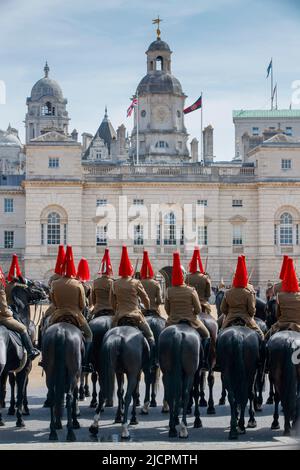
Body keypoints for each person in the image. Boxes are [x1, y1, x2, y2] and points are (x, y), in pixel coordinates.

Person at [49, 245, 93, 371]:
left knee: (46, 330)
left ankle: (44, 358)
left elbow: (54, 302)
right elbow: (82, 305)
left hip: (57, 314)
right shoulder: (78, 284)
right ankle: (85, 362)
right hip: (76, 315)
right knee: (89, 335)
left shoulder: (55, 283)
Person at [110, 246, 155, 364]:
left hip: (119, 316)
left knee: (108, 336)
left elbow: (112, 302)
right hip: (136, 316)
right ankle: (152, 361)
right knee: (150, 336)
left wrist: (117, 310)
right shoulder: (136, 282)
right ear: (130, 270)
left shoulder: (115, 284)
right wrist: (147, 307)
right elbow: (146, 299)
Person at [165, 252, 210, 364]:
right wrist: (193, 312)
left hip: (173, 320)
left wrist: (173, 314)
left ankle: (159, 360)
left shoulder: (169, 290)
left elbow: (167, 309)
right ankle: (204, 360)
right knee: (207, 335)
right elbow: (198, 310)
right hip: (191, 320)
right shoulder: (191, 290)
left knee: (161, 336)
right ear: (184, 276)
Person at [0, 265, 40, 360]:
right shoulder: (2, 290)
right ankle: (31, 351)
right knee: (22, 328)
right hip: (3, 317)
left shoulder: (7, 286)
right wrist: (9, 313)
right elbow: (4, 310)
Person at [220, 256, 264, 339]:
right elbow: (252, 309)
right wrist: (251, 316)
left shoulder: (228, 292)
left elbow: (222, 308)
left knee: (220, 334)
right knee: (261, 335)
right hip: (246, 318)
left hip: (230, 317)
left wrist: (228, 313)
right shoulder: (248, 292)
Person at [266, 258, 300, 338]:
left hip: (282, 323)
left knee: (265, 337)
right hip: (298, 324)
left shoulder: (279, 295)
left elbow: (277, 314)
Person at [186, 247, 212, 314]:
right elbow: (208, 294)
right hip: (202, 303)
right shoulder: (205, 277)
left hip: (189, 304)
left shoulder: (187, 277)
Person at [140, 250, 164, 318]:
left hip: (142, 310)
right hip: (154, 310)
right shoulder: (156, 283)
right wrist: (156, 305)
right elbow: (159, 300)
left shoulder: (138, 283)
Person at [91, 248, 114, 317]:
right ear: (109, 271)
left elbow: (93, 299)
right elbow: (114, 299)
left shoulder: (95, 282)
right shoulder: (112, 282)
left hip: (98, 309)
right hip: (111, 309)